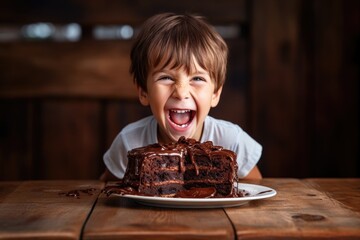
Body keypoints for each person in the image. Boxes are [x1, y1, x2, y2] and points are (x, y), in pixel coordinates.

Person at [100, 13, 262, 181]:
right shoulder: (129, 142)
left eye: (197, 79)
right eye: (166, 78)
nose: (181, 92)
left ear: (215, 94)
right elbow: (106, 191)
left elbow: (254, 190)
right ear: (143, 92)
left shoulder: (232, 141)